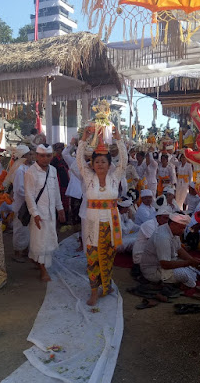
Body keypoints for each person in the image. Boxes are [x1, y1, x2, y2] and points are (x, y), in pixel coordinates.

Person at [76, 127, 127, 306]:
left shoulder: (115, 178)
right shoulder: (89, 178)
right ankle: (94, 292)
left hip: (111, 225)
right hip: (92, 225)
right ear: (93, 164)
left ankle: (106, 285)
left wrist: (118, 139)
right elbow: (79, 162)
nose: (99, 164)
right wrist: (84, 138)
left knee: (108, 257)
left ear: (108, 164)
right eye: (96, 162)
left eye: (103, 162)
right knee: (92, 258)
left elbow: (124, 161)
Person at [25, 144, 66, 281]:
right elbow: (29, 195)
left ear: (52, 156)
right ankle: (43, 270)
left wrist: (60, 208)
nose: (45, 159)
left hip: (51, 213)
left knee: (48, 239)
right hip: (39, 213)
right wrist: (35, 214)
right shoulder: (31, 172)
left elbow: (56, 191)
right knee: (40, 241)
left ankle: (38, 262)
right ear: (37, 156)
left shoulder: (53, 170)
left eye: (48, 156)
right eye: (42, 156)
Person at [140, 213, 200, 288]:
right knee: (183, 274)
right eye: (181, 228)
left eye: (184, 228)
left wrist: (192, 261)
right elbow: (165, 264)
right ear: (173, 224)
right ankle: (190, 281)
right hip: (154, 271)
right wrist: (188, 263)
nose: (183, 231)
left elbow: (179, 249)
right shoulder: (163, 237)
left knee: (192, 266)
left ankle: (195, 275)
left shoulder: (173, 231)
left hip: (166, 263)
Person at [12, 148, 35, 262]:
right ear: (23, 156)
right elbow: (19, 189)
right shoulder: (20, 170)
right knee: (20, 228)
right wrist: (31, 195)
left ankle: (26, 250)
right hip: (21, 204)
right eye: (29, 154)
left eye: (32, 154)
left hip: (29, 203)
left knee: (28, 229)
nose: (32, 156)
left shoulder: (30, 168)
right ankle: (17, 253)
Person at [132, 207, 170, 274]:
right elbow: (156, 244)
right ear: (158, 217)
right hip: (141, 255)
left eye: (168, 219)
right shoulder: (149, 225)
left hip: (150, 253)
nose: (167, 221)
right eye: (165, 218)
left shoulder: (163, 225)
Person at [51, 142, 70, 222]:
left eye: (63, 149)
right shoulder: (54, 160)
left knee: (66, 200)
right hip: (59, 183)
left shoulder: (65, 159)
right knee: (60, 200)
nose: (62, 151)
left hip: (65, 182)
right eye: (60, 149)